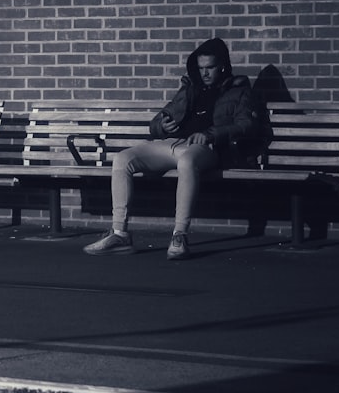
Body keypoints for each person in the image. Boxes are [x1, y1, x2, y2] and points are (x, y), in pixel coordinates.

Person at [83, 37, 267, 260]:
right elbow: (156, 123)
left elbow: (246, 125)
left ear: (223, 66)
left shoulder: (239, 92)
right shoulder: (189, 89)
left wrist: (210, 134)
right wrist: (162, 125)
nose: (204, 73)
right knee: (123, 159)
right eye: (200, 69)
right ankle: (120, 234)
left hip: (205, 148)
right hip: (171, 143)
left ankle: (179, 235)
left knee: (187, 162)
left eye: (210, 68)